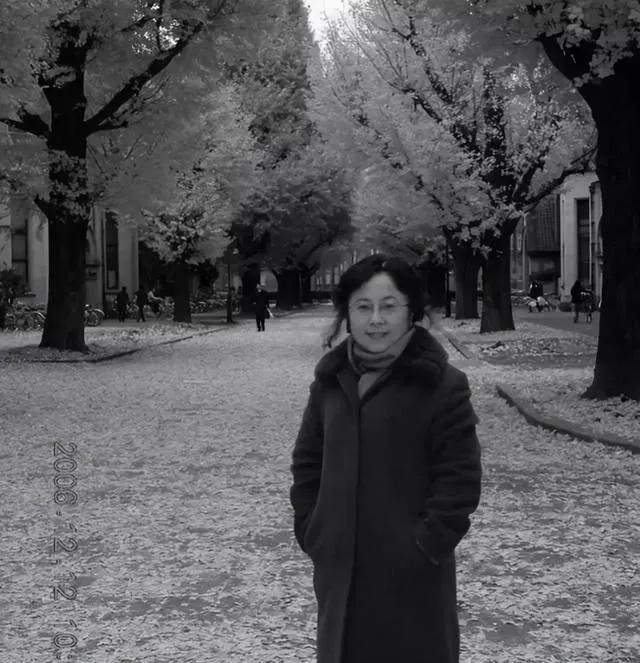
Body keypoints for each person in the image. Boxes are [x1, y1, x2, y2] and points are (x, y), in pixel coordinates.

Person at [290, 254, 482, 663]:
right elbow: (307, 464)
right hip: (339, 572)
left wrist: (425, 545)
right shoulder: (330, 383)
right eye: (363, 307)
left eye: (389, 306)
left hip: (412, 578)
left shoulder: (442, 385)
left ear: (411, 312)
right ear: (347, 314)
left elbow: (459, 479)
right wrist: (312, 529)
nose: (376, 319)